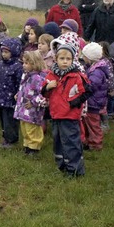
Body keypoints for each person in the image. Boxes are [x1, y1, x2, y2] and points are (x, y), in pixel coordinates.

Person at [41, 44, 90, 177]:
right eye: (62, 58)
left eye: (68, 59)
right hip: (56, 115)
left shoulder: (77, 76)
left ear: (73, 60)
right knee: (58, 141)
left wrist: (73, 103)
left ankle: (74, 169)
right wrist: (47, 88)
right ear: (56, 59)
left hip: (70, 115)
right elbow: (44, 93)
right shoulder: (52, 75)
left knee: (71, 142)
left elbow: (86, 91)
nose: (65, 61)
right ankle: (62, 165)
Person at [14, 51, 48, 155]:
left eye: (26, 63)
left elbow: (43, 94)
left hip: (32, 110)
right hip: (23, 108)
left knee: (32, 129)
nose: (23, 65)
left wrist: (33, 102)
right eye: (23, 62)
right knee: (25, 128)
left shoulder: (37, 78)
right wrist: (18, 94)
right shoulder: (27, 75)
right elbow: (25, 88)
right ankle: (27, 146)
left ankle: (34, 148)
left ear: (34, 64)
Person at [80, 42, 110, 151]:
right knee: (88, 123)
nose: (83, 58)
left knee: (93, 125)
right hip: (92, 101)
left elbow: (92, 86)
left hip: (94, 102)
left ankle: (96, 144)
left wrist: (83, 85)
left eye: (84, 56)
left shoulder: (96, 72)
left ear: (90, 58)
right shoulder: (92, 68)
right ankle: (89, 141)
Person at [0, 38, 23, 148]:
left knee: (10, 120)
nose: (4, 54)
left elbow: (20, 82)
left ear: (14, 52)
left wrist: (17, 96)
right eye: (3, 52)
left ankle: (12, 139)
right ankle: (5, 136)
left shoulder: (17, 67)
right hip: (0, 96)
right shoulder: (0, 64)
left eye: (6, 52)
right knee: (2, 119)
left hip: (11, 99)